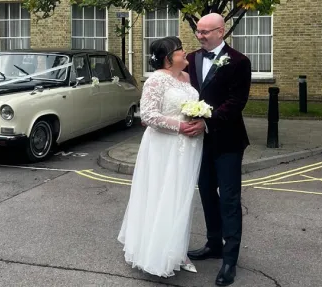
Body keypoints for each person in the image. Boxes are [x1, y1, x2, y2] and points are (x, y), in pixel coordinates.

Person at [117, 36, 204, 277]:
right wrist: (181, 126)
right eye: (179, 50)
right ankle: (156, 251)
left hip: (189, 147)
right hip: (163, 147)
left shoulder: (187, 78)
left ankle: (176, 248)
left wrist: (201, 122)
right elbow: (148, 116)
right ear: (168, 59)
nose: (185, 52)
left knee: (181, 197)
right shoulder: (156, 80)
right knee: (161, 195)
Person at [183, 13, 252, 286]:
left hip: (229, 141)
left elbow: (236, 102)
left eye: (205, 32)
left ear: (221, 31)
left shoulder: (239, 62)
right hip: (199, 143)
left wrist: (206, 122)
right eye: (198, 31)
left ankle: (230, 260)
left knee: (229, 199)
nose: (200, 36)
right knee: (207, 194)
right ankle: (214, 244)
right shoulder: (190, 58)